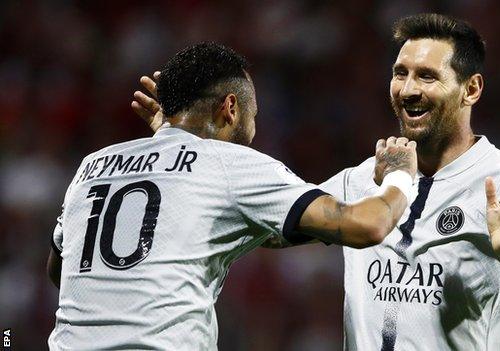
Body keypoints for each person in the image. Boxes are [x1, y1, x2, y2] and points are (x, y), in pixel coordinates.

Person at [133, 14, 500, 350]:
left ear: (471, 89)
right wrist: (179, 147)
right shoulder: (361, 179)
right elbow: (263, 226)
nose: (407, 89)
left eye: (427, 76)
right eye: (400, 73)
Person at [46, 42, 419, 350]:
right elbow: (367, 225)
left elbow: (61, 270)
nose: (254, 130)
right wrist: (401, 175)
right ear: (231, 108)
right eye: (253, 115)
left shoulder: (92, 165)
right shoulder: (228, 163)